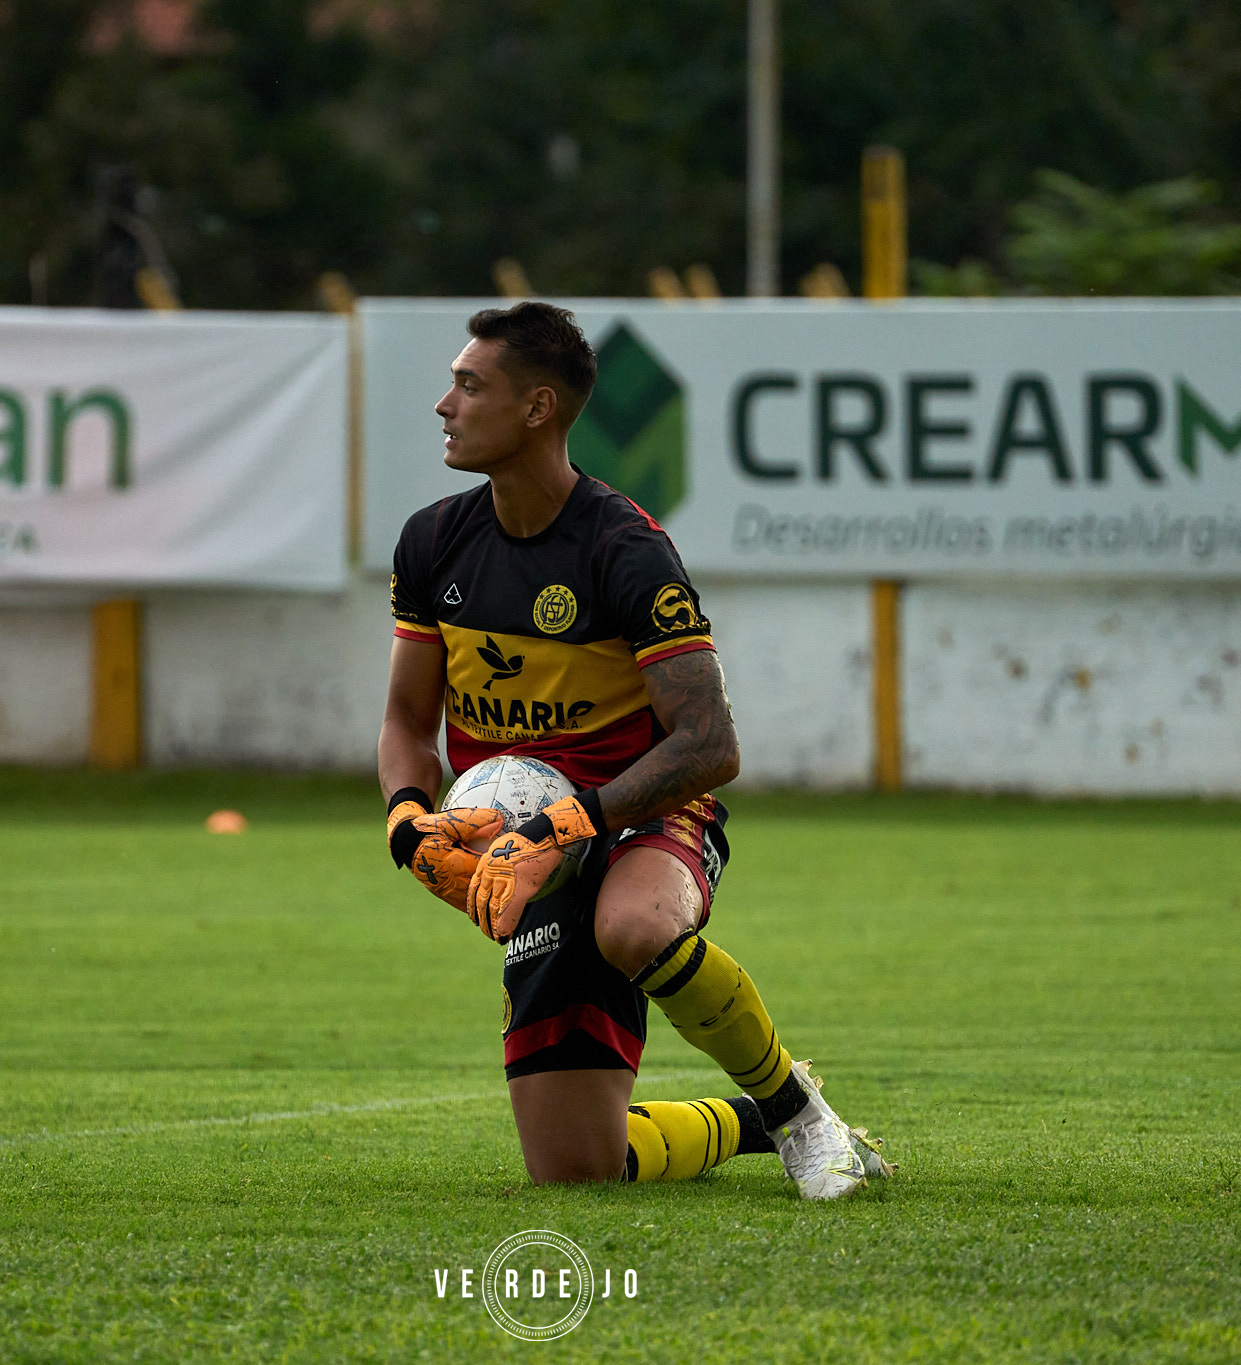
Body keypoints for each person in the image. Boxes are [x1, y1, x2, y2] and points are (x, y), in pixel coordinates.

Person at [377, 302, 894, 1198]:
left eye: (469, 385)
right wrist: (409, 823)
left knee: (633, 928)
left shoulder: (626, 550)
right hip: (525, 841)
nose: (444, 405)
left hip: (642, 812)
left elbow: (710, 744)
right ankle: (751, 1120)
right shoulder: (432, 543)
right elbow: (405, 725)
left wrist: (570, 820)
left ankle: (804, 1118)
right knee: (579, 1168)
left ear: (538, 408)